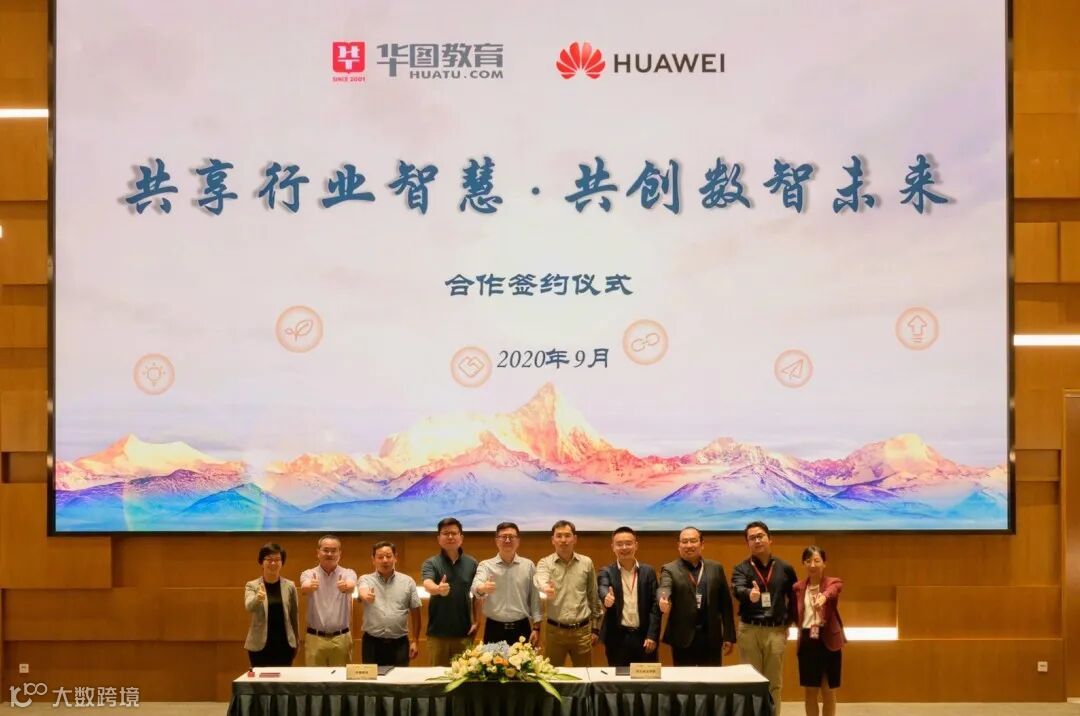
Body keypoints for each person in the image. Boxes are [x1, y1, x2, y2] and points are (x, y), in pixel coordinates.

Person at [731, 521, 799, 715]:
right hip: (749, 630)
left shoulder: (785, 568)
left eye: (760, 536)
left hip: (776, 631)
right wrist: (749, 594)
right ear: (747, 543)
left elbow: (794, 598)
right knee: (750, 682)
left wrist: (788, 623)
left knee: (774, 683)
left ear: (770, 539)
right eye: (752, 538)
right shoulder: (741, 568)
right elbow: (737, 588)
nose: (757, 540)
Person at [658, 526, 735, 665]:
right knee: (684, 678)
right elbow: (664, 587)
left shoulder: (716, 568)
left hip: (711, 637)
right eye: (684, 541)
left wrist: (729, 636)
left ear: (702, 544)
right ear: (678, 545)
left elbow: (725, 605)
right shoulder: (670, 569)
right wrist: (663, 598)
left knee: (712, 678)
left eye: (693, 541)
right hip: (683, 638)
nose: (689, 545)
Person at [534, 519, 603, 666]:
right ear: (553, 540)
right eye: (559, 536)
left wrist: (596, 628)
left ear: (575, 539)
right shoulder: (545, 563)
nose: (563, 540)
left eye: (567, 535)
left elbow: (593, 595)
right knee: (551, 674)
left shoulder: (586, 562)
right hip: (554, 632)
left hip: (582, 632)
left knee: (585, 675)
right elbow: (540, 579)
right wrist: (545, 588)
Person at [471, 521, 542, 647]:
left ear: (518, 540)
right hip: (494, 628)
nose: (507, 540)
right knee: (491, 661)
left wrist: (536, 628)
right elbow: (475, 586)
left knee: (524, 661)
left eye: (511, 537)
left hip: (522, 627)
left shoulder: (528, 566)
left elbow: (535, 599)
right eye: (503, 537)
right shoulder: (486, 565)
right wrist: (482, 588)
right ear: (496, 541)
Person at [597, 526, 660, 666]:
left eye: (628, 543)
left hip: (644, 638)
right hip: (617, 639)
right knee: (619, 678)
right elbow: (602, 587)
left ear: (636, 545)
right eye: (619, 544)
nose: (624, 547)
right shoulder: (606, 571)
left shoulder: (648, 572)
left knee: (646, 677)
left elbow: (655, 606)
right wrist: (606, 598)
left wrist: (652, 635)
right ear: (613, 547)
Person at [793, 546, 845, 716]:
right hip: (808, 640)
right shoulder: (798, 587)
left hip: (829, 639)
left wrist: (824, 596)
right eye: (808, 561)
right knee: (810, 691)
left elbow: (834, 589)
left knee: (828, 690)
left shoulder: (832, 582)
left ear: (824, 563)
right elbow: (795, 613)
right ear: (803, 563)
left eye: (817, 560)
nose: (812, 565)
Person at [421, 517, 479, 666]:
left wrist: (478, 621)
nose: (450, 537)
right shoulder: (431, 563)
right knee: (437, 677)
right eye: (446, 533)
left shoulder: (472, 563)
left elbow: (477, 595)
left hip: (464, 633)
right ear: (439, 538)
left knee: (464, 676)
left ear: (461, 538)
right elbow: (427, 584)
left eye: (454, 533)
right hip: (437, 634)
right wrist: (437, 589)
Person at [357, 541, 422, 666]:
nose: (385, 560)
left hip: (400, 643)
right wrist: (366, 596)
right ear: (373, 559)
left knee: (399, 678)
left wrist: (415, 641)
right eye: (380, 557)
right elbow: (362, 590)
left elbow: (416, 613)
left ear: (395, 557)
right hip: (372, 643)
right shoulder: (365, 579)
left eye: (388, 556)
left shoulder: (408, 582)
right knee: (372, 678)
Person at [299, 534, 358, 666]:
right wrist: (310, 586)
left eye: (333, 550)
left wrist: (346, 586)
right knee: (314, 679)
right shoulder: (308, 573)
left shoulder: (348, 573)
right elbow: (304, 586)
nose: (329, 554)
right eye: (326, 550)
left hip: (341, 638)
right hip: (315, 638)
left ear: (339, 553)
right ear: (318, 552)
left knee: (341, 678)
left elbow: (351, 585)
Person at [244, 543, 299, 667]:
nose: (273, 563)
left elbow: (294, 616)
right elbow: (249, 607)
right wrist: (258, 599)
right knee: (260, 679)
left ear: (282, 563)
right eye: (269, 559)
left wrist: (296, 640)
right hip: (259, 646)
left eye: (277, 559)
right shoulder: (252, 585)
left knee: (284, 678)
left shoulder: (290, 586)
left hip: (285, 645)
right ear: (261, 562)